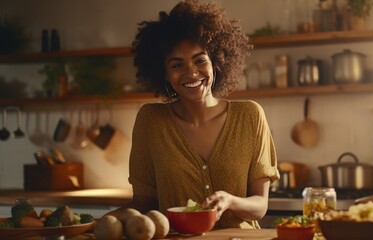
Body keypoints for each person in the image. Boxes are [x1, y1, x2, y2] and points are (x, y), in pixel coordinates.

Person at [108, 0, 279, 229]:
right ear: (164, 74)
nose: (191, 73)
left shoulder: (250, 115)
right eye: (177, 65)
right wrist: (95, 223)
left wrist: (230, 201)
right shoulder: (151, 120)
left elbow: (260, 206)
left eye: (200, 60)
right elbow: (142, 203)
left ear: (216, 62)